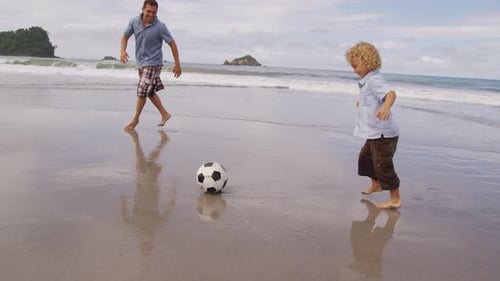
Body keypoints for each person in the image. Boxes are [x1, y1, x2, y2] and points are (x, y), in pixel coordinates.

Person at [345, 41, 401, 209]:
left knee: (383, 165)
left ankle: (395, 199)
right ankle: (376, 184)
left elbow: (390, 94)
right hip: (374, 133)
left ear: (367, 61)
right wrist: (362, 103)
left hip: (384, 134)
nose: (354, 70)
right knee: (365, 159)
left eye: (356, 66)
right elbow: (370, 99)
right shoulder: (367, 82)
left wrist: (385, 106)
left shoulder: (375, 80)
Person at [120, 0, 182, 131]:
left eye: (154, 12)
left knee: (142, 91)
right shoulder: (134, 22)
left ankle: (135, 120)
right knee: (149, 92)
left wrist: (177, 64)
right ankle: (165, 114)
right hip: (141, 62)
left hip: (154, 63)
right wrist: (123, 51)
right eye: (148, 11)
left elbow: (172, 44)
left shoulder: (160, 26)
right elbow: (125, 36)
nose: (151, 15)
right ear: (143, 9)